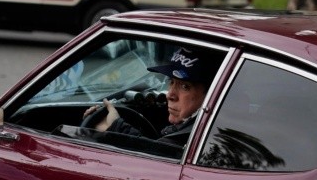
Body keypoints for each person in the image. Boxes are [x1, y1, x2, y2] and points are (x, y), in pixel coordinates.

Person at [83, 47, 218, 146]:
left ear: (210, 95)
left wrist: (115, 126)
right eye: (171, 82)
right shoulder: (199, 126)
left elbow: (155, 153)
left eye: (185, 87)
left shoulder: (193, 137)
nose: (170, 95)